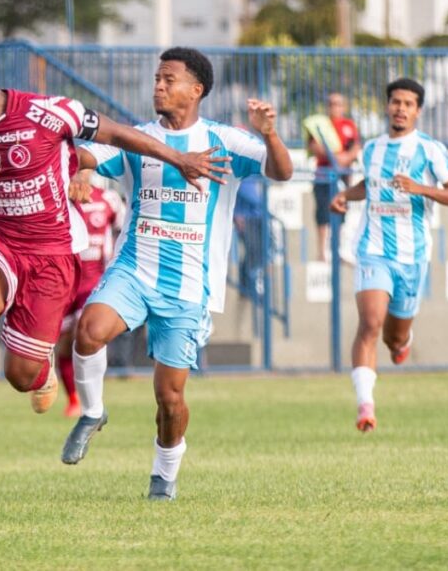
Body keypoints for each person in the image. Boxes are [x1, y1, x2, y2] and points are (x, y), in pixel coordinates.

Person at [0, 54, 232, 483]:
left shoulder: (51, 112)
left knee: (21, 375)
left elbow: (122, 135)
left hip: (52, 253)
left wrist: (176, 159)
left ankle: (40, 369)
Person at [59, 47, 293, 501]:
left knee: (169, 399)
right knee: (88, 332)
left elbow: (281, 172)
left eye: (169, 79)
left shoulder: (225, 142)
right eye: (156, 79)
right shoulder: (136, 138)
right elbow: (81, 155)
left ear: (196, 90)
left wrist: (271, 135)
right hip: (133, 269)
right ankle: (92, 413)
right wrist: (80, 172)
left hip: (189, 287)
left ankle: (164, 475)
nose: (158, 86)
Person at [331, 78, 448, 433]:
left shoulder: (430, 149)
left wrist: (420, 188)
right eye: (395, 102)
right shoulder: (372, 149)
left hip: (413, 256)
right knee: (370, 322)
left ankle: (402, 341)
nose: (400, 109)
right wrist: (346, 195)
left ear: (417, 110)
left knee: (393, 337)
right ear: (387, 106)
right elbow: (369, 186)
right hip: (372, 250)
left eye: (408, 103)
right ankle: (365, 405)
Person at [56, 170, 124, 417]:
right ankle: (73, 400)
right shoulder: (58, 199)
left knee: (83, 334)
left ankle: (92, 402)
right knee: (63, 345)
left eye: (85, 166)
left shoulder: (108, 199)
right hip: (64, 282)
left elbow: (124, 229)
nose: (79, 172)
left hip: (95, 282)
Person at [303, 93, 361, 261]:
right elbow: (314, 146)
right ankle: (322, 252)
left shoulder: (349, 125)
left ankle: (338, 249)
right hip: (324, 175)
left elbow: (355, 147)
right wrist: (336, 157)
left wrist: (345, 158)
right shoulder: (320, 123)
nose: (334, 107)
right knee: (322, 211)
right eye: (331, 103)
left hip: (343, 176)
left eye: (338, 103)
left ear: (344, 106)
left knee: (342, 211)